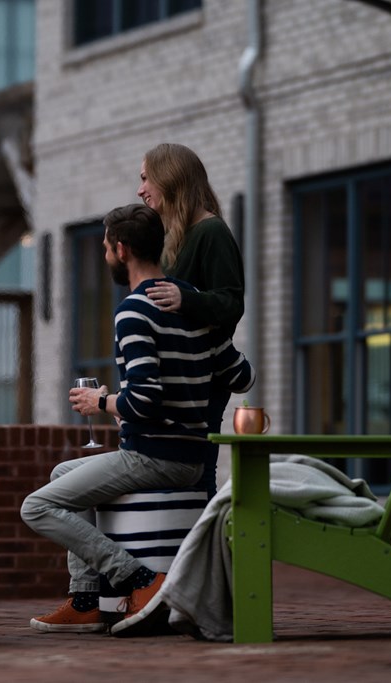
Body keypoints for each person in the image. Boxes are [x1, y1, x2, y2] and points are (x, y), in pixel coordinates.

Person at [20, 204, 255, 637]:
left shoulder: (133, 312)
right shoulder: (191, 303)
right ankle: (87, 598)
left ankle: (140, 580)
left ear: (122, 250)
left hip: (153, 457)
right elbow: (243, 376)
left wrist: (101, 400)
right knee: (63, 473)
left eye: (107, 248)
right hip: (192, 457)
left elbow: (145, 399)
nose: (106, 255)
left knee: (37, 505)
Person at [138, 142, 246, 495]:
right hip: (176, 379)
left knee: (198, 476)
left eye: (146, 179)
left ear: (169, 179)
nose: (140, 191)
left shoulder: (211, 232)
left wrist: (186, 299)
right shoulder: (172, 235)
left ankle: (204, 549)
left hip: (204, 380)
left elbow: (231, 303)